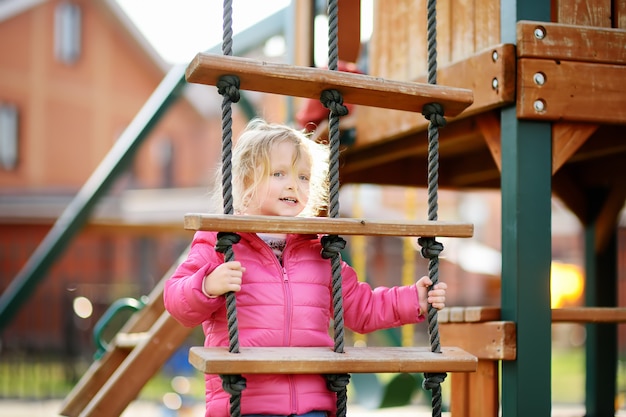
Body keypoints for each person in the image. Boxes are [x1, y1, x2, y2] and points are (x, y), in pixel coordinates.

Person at [163, 118, 448, 417]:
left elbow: (361, 307)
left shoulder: (320, 249)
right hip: (247, 401)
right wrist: (207, 285)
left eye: (303, 177)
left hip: (313, 403)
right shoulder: (222, 243)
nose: (292, 184)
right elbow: (176, 301)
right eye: (278, 173)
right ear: (246, 181)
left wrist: (412, 300)